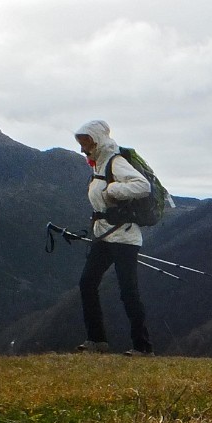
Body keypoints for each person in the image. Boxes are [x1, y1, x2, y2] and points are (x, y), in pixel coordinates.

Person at [74, 120, 154, 356]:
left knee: (128, 291)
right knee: (87, 283)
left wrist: (113, 191)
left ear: (97, 140)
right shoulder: (98, 165)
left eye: (85, 142)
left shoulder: (115, 162)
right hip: (105, 235)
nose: (82, 148)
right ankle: (96, 340)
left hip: (125, 238)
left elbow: (143, 186)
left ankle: (142, 346)